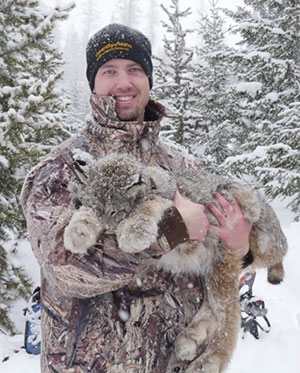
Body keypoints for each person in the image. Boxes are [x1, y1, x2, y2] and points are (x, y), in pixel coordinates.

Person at [21, 24, 253, 373]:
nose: (124, 82)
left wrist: (240, 247)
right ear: (93, 82)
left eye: (134, 69)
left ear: (148, 79)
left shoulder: (184, 166)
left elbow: (216, 260)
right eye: (109, 71)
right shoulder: (62, 169)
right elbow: (65, 271)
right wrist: (171, 230)